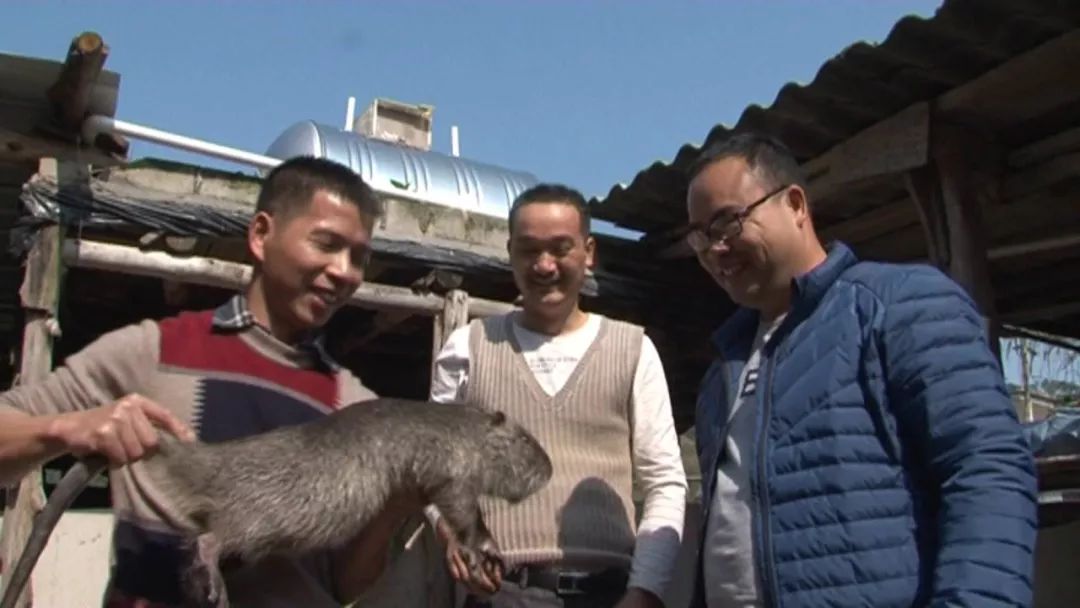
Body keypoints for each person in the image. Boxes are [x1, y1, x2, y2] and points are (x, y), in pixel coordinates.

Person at [0, 156, 421, 607]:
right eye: (327, 244)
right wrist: (68, 427)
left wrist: (396, 506)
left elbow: (341, 583)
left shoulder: (353, 405)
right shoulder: (153, 352)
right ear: (261, 235)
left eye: (359, 257)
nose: (345, 271)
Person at [683, 132, 1038, 607]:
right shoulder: (720, 376)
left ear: (794, 205)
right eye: (700, 237)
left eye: (727, 223)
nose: (715, 250)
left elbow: (985, 469)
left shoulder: (898, 306)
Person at [426, 183, 688, 608]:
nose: (544, 265)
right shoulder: (469, 347)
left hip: (611, 595)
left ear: (589, 252)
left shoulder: (632, 350)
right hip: (501, 595)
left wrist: (646, 590)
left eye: (560, 248)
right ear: (510, 252)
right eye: (529, 250)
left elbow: (664, 481)